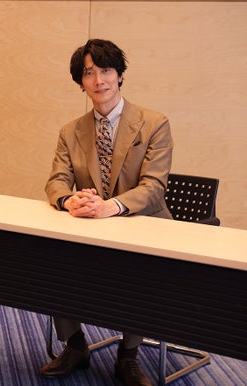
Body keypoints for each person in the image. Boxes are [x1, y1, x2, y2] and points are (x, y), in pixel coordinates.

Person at [43, 39, 173, 386]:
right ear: (81, 83)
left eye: (106, 70)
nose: (99, 80)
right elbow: (57, 180)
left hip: (145, 225)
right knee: (51, 255)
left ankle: (128, 355)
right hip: (93, 229)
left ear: (120, 75)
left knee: (140, 269)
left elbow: (154, 187)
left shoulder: (154, 123)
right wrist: (68, 201)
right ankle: (75, 346)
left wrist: (110, 206)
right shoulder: (70, 132)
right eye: (89, 73)